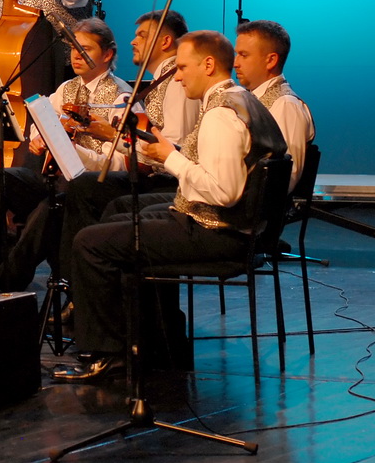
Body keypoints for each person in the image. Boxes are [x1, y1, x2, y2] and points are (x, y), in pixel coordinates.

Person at [54, 31, 287, 382]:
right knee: (122, 214)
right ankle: (156, 343)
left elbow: (223, 193)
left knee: (89, 243)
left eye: (181, 68)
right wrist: (167, 154)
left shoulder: (221, 115)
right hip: (226, 225)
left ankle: (110, 352)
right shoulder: (239, 99)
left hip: (219, 232)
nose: (176, 77)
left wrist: (170, 158)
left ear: (208, 65)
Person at [0, 19, 128, 294]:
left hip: (87, 190)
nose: (76, 55)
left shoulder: (121, 97)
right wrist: (39, 138)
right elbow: (41, 124)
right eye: (73, 47)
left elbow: (120, 163)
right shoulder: (66, 89)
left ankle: (3, 287)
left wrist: (73, 151)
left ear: (108, 54)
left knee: (48, 208)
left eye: (84, 48)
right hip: (55, 180)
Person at [49, 10, 200, 271]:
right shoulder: (160, 82)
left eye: (141, 35)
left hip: (165, 181)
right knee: (69, 192)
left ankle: (85, 280)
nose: (132, 41)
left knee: (82, 188)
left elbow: (170, 151)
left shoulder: (176, 83)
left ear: (164, 42)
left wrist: (112, 136)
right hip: (151, 173)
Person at [235, 20, 315, 191]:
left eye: (244, 55)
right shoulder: (249, 98)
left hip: (249, 210)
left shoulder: (285, 105)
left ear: (270, 60)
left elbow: (285, 177)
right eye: (237, 54)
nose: (235, 63)